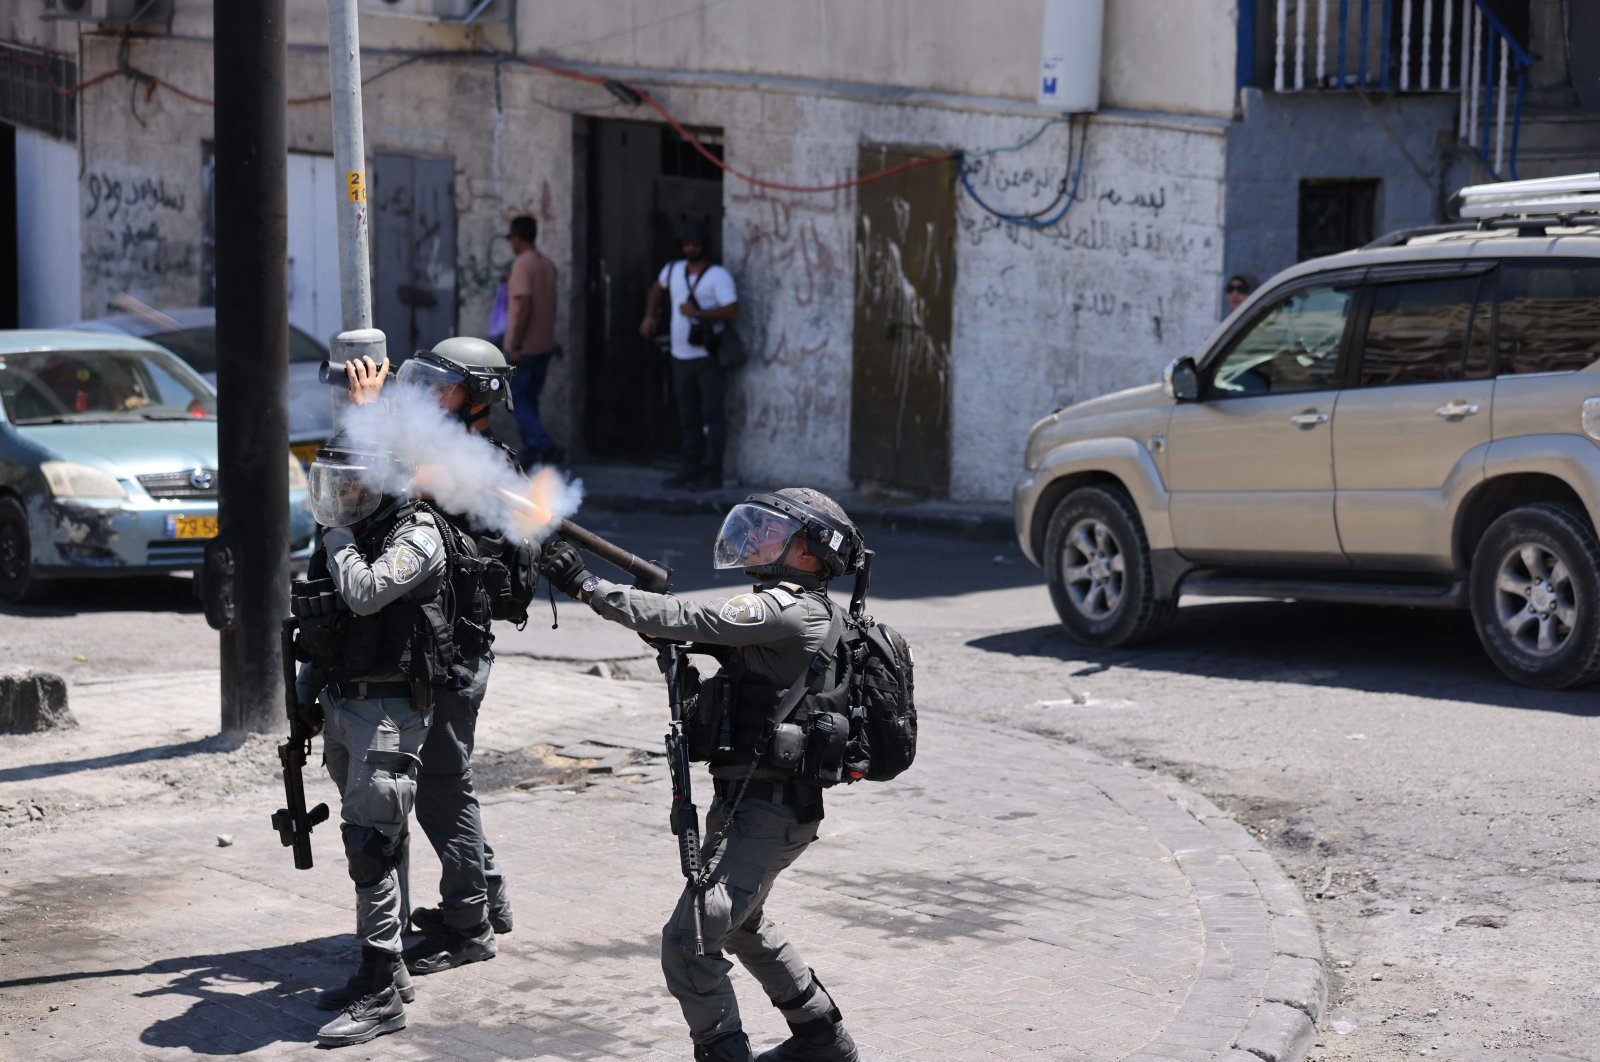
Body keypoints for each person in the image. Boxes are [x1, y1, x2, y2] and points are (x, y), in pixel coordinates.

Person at [540, 488, 864, 1062]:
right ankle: (822, 1040)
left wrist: (587, 587)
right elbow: (696, 636)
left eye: (775, 534)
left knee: (689, 940)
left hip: (766, 810)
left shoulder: (787, 609)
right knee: (741, 925)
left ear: (809, 555)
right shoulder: (799, 612)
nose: (758, 539)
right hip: (759, 804)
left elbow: (689, 616)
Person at [344, 342, 518, 977]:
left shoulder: (477, 465)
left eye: (440, 387)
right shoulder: (451, 453)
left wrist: (366, 412)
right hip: (434, 647)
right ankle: (484, 893)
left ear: (477, 398)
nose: (422, 395)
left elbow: (380, 486)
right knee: (445, 782)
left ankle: (468, 926)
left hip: (454, 655)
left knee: (444, 784)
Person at [293, 438, 453, 1048]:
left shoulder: (416, 535)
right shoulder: (351, 530)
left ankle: (381, 991)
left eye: (354, 483)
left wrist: (335, 540)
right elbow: (322, 620)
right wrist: (308, 694)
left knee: (372, 844)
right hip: (342, 701)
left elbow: (364, 592)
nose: (342, 494)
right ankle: (383, 966)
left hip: (388, 710)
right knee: (371, 833)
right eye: (337, 483)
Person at [639, 220, 738, 491]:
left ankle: (712, 471)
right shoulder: (673, 270)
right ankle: (689, 468)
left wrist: (699, 313)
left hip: (707, 356)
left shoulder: (718, 275)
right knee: (687, 415)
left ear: (704, 246)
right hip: (679, 355)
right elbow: (656, 290)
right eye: (686, 244)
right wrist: (649, 315)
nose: (690, 248)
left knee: (712, 415)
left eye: (695, 244)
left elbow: (731, 310)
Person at [505, 215, 564, 468]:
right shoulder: (547, 265)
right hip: (544, 345)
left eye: (512, 239)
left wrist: (515, 345)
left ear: (517, 238)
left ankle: (543, 444)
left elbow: (526, 305)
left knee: (518, 399)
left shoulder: (522, 265)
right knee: (531, 399)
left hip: (526, 348)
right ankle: (531, 450)